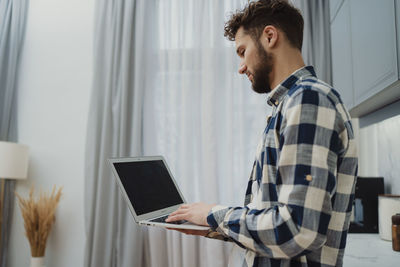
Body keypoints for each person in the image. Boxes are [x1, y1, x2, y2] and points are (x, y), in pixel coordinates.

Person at [166, 0, 358, 266]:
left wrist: (214, 214)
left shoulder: (308, 100)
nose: (241, 67)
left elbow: (297, 230)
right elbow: (274, 217)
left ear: (270, 36)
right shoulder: (291, 104)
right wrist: (212, 225)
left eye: (243, 51)